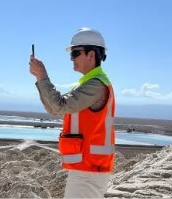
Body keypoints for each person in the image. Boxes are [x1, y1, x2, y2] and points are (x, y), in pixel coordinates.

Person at [29, 27, 115, 198]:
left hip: (90, 169)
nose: (71, 59)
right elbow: (54, 108)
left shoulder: (96, 85)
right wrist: (40, 79)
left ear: (91, 55)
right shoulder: (85, 85)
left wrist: (43, 76)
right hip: (87, 168)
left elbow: (60, 105)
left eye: (75, 53)